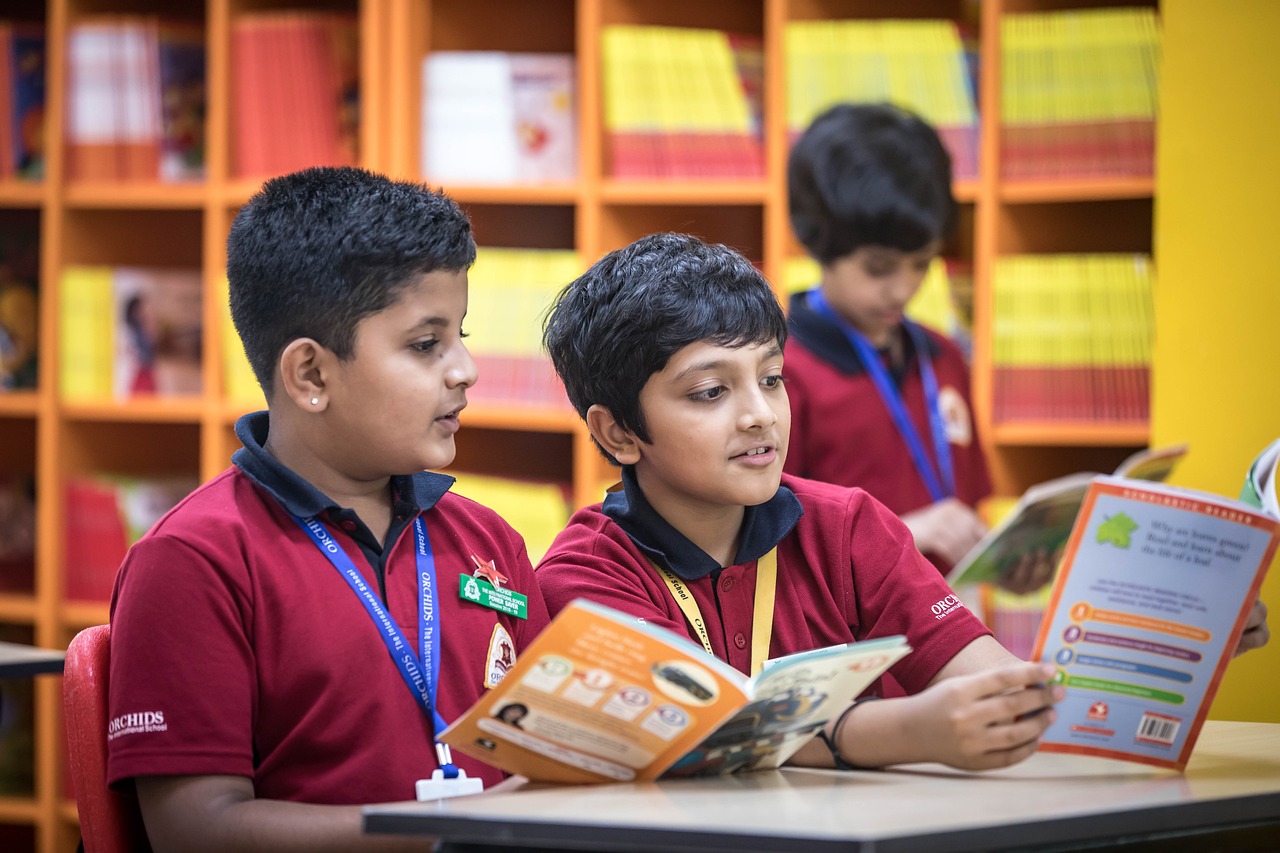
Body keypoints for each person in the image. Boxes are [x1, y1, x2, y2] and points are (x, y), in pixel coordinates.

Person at [106, 166, 550, 852]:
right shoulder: (194, 559)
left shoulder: (488, 539)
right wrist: (451, 831)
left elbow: (555, 754)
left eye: (460, 333)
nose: (465, 368)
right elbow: (197, 830)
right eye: (426, 343)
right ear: (311, 375)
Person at [537, 231, 1064, 772]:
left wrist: (1028, 695)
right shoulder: (583, 575)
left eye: (771, 378)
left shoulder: (849, 527)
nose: (760, 414)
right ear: (619, 431)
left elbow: (985, 676)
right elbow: (699, 729)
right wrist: (906, 731)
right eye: (710, 392)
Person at [783, 102, 990, 575]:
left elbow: (965, 506)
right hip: (845, 639)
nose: (904, 289)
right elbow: (764, 542)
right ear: (817, 241)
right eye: (879, 268)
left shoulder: (943, 357)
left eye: (922, 263)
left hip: (946, 628)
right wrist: (909, 531)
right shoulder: (777, 371)